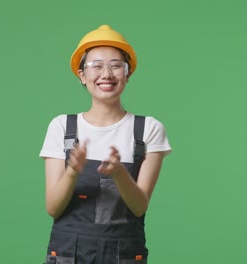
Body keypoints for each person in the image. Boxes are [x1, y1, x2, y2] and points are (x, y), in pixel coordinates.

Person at [39, 24, 172, 264]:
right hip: (68, 254)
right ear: (81, 75)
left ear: (128, 74)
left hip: (125, 255)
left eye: (116, 65)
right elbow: (53, 208)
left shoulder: (148, 129)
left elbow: (139, 206)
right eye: (96, 66)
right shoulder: (62, 127)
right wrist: (72, 172)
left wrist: (120, 173)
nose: (106, 74)